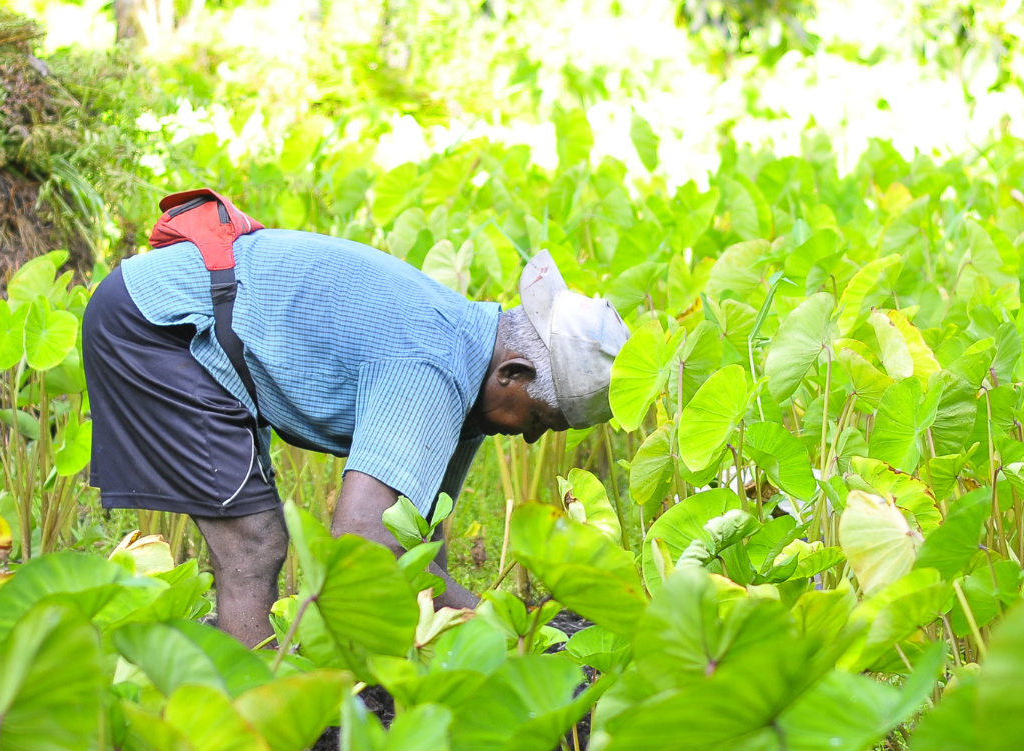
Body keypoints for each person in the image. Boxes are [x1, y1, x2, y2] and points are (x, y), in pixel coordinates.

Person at [81, 216, 628, 649]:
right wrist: (500, 622)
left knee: (258, 541)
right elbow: (364, 540)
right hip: (160, 324)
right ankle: (257, 726)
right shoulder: (434, 364)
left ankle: (249, 691)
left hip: (202, 323)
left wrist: (473, 634)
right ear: (513, 373)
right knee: (255, 543)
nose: (530, 439)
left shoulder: (473, 370)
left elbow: (415, 540)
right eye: (540, 420)